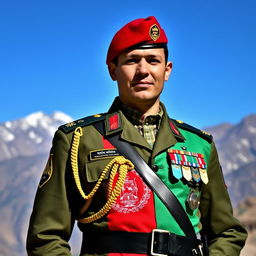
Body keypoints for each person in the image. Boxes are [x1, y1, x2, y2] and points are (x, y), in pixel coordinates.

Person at [26, 16, 247, 256]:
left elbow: (227, 232)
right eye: (132, 61)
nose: (143, 70)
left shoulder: (199, 145)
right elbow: (45, 237)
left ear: (167, 70)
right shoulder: (78, 140)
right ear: (113, 70)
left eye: (153, 60)